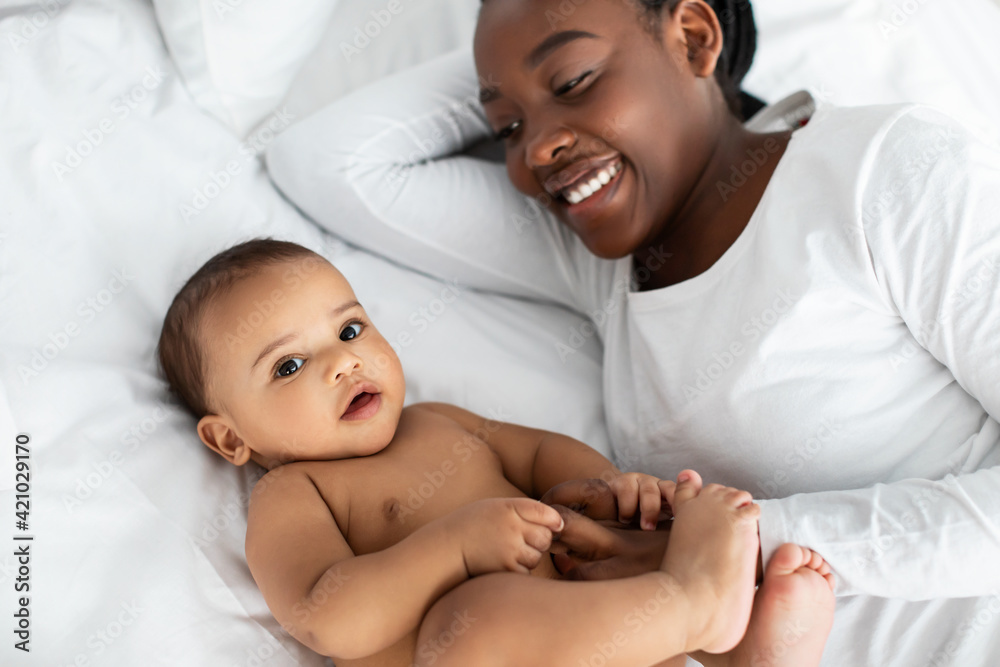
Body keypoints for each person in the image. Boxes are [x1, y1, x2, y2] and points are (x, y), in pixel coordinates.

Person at [264, 0, 1000, 665]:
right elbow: (328, 161)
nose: (536, 151)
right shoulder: (599, 263)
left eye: (574, 79)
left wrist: (733, 543)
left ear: (695, 35)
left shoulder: (884, 168)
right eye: (508, 129)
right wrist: (520, 62)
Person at [155, 238, 836, 667]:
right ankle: (696, 603)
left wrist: (607, 486)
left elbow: (538, 454)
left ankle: (740, 652)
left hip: (600, 641)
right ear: (230, 438)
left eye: (351, 329)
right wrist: (453, 550)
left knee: (613, 556)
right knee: (465, 622)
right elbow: (325, 616)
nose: (343, 362)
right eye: (289, 365)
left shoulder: (436, 422)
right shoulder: (294, 492)